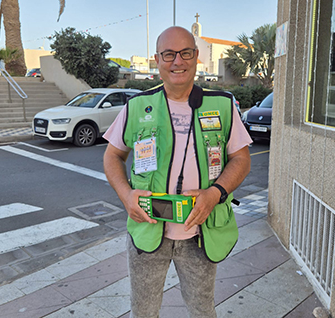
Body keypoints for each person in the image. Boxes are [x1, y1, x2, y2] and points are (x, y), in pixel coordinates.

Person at [103, 26, 252, 318]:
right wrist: (126, 195)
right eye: (169, 54)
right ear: (157, 60)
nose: (177, 62)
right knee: (144, 312)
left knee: (202, 311)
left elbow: (241, 159)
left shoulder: (221, 105)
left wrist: (215, 193)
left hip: (201, 231)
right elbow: (112, 156)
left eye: (185, 53)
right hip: (148, 229)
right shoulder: (136, 106)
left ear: (196, 57)